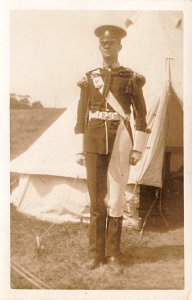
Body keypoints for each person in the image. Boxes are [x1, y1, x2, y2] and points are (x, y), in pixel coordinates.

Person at [74, 25, 148, 270]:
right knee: (96, 199)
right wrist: (79, 148)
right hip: (94, 141)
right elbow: (81, 115)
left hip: (121, 141)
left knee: (116, 197)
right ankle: (96, 255)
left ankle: (114, 254)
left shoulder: (131, 77)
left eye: (112, 43)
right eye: (104, 43)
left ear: (120, 46)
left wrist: (138, 148)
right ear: (99, 46)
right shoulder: (88, 78)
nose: (107, 46)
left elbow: (140, 116)